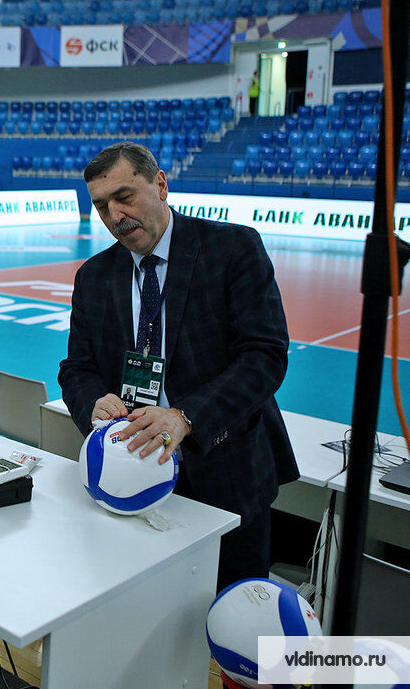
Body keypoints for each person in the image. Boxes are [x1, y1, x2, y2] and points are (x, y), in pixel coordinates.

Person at [58, 142, 298, 591]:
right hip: (130, 474)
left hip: (226, 477)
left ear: (161, 184)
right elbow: (76, 367)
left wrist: (185, 416)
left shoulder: (232, 249)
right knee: (147, 607)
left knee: (233, 609)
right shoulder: (94, 276)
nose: (115, 216)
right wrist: (93, 403)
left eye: (124, 196)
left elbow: (264, 356)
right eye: (101, 206)